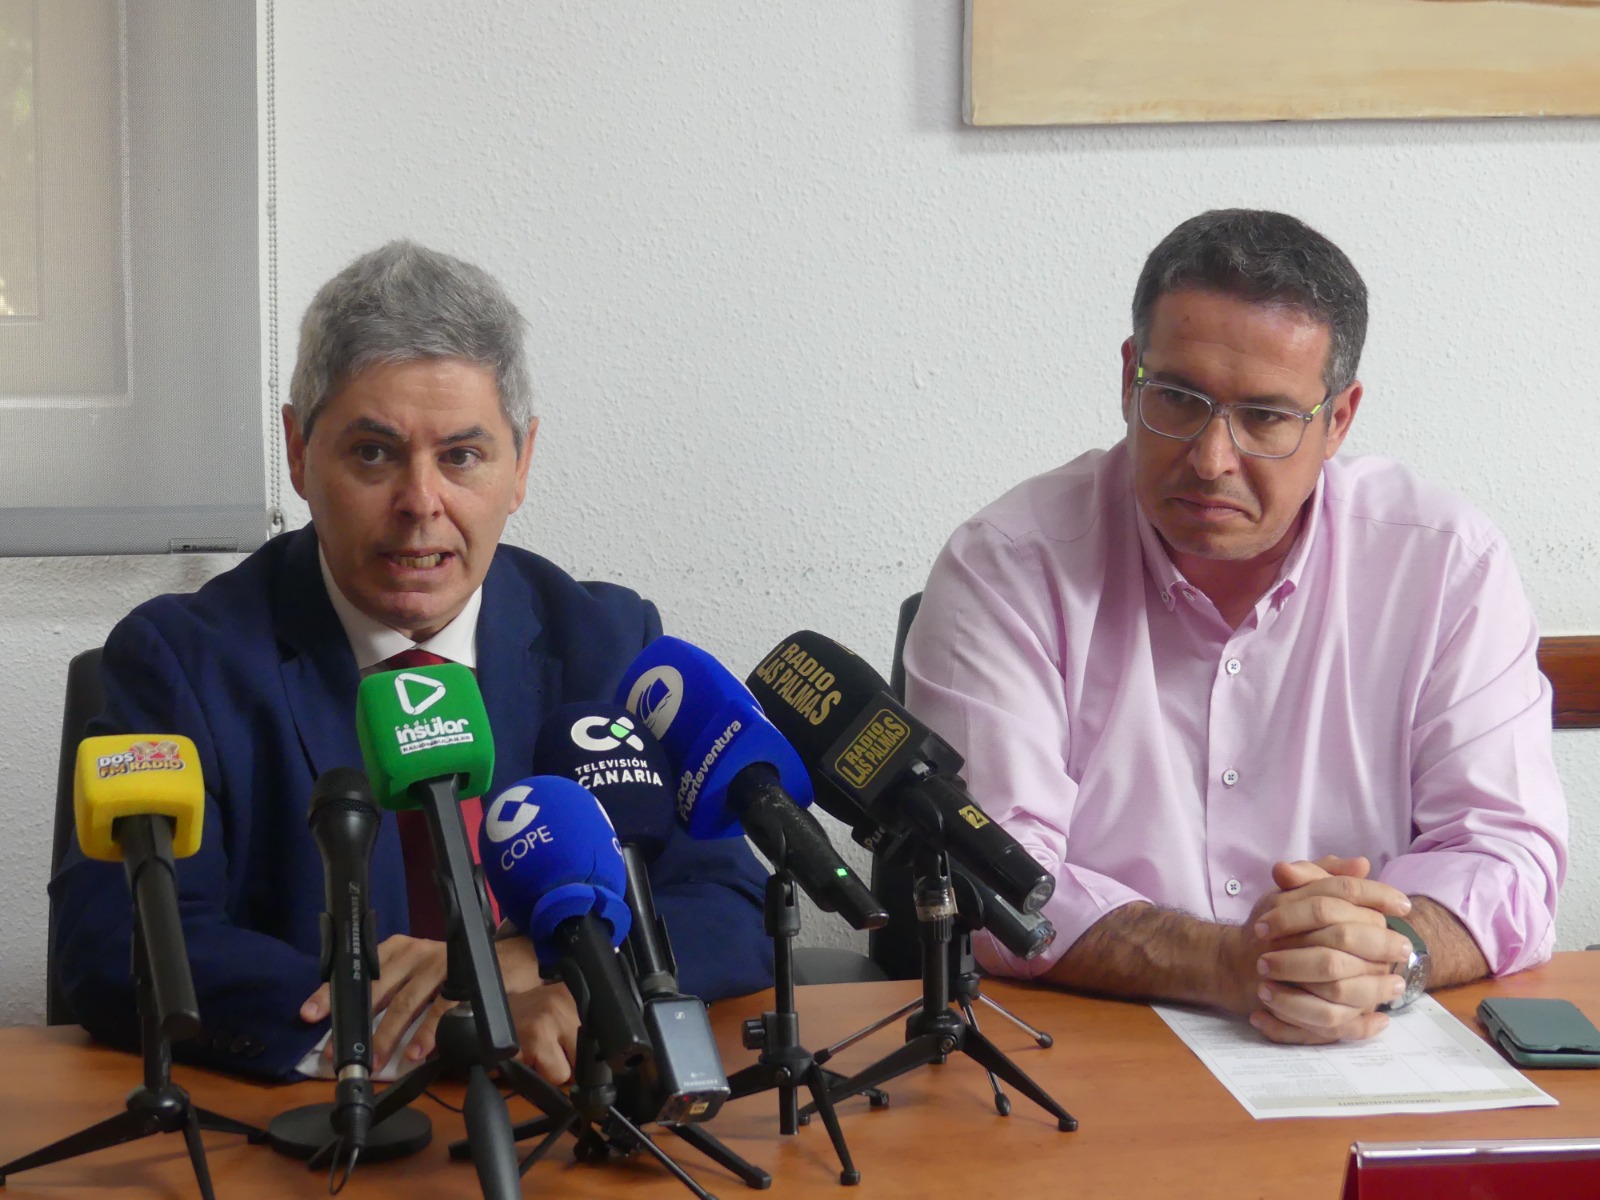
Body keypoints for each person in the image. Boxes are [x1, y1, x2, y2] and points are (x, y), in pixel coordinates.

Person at [52, 241, 772, 1081]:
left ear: (521, 465)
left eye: (461, 456)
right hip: (314, 1126)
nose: (420, 503)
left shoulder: (607, 644)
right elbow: (118, 940)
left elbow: (729, 903)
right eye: (373, 453)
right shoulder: (185, 661)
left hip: (556, 1109)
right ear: (299, 451)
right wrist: (420, 1020)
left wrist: (541, 967)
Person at [903, 209, 1566, 1045]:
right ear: (1128, 379)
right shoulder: (1006, 564)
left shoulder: (1445, 565)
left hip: (1372, 1045)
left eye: (1265, 417)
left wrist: (1383, 955)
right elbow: (985, 875)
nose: (1212, 458)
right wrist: (1225, 963)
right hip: (1091, 1046)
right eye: (1178, 399)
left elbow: (1506, 852)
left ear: (1339, 420)